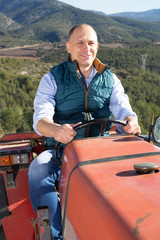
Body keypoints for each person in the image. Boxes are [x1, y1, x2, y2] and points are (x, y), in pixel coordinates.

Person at [28, 24, 141, 239]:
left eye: (90, 43)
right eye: (80, 43)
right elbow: (40, 119)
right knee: (38, 170)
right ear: (69, 47)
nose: (86, 48)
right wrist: (56, 129)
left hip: (101, 148)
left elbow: (123, 108)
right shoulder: (52, 78)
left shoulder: (111, 79)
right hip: (63, 150)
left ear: (97, 46)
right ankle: (54, 234)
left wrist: (130, 120)